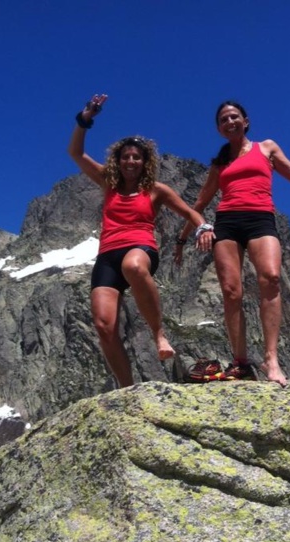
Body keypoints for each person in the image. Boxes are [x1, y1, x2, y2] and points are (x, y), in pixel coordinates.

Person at [174, 101, 290, 387]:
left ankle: (271, 359)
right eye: (223, 120)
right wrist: (184, 237)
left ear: (246, 121)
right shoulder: (220, 164)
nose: (229, 121)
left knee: (271, 278)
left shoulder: (266, 147)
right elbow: (201, 202)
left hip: (260, 219)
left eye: (234, 116)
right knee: (231, 292)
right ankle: (240, 362)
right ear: (219, 129)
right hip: (227, 223)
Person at [68, 94, 212, 388]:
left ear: (144, 162)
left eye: (136, 157)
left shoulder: (156, 190)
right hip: (107, 256)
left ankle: (159, 333)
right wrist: (86, 118)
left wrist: (204, 228)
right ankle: (126, 387)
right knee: (104, 326)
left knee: (134, 266)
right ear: (118, 161)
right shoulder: (108, 183)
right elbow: (76, 153)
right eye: (126, 157)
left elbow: (189, 212)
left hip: (140, 248)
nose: (131, 161)